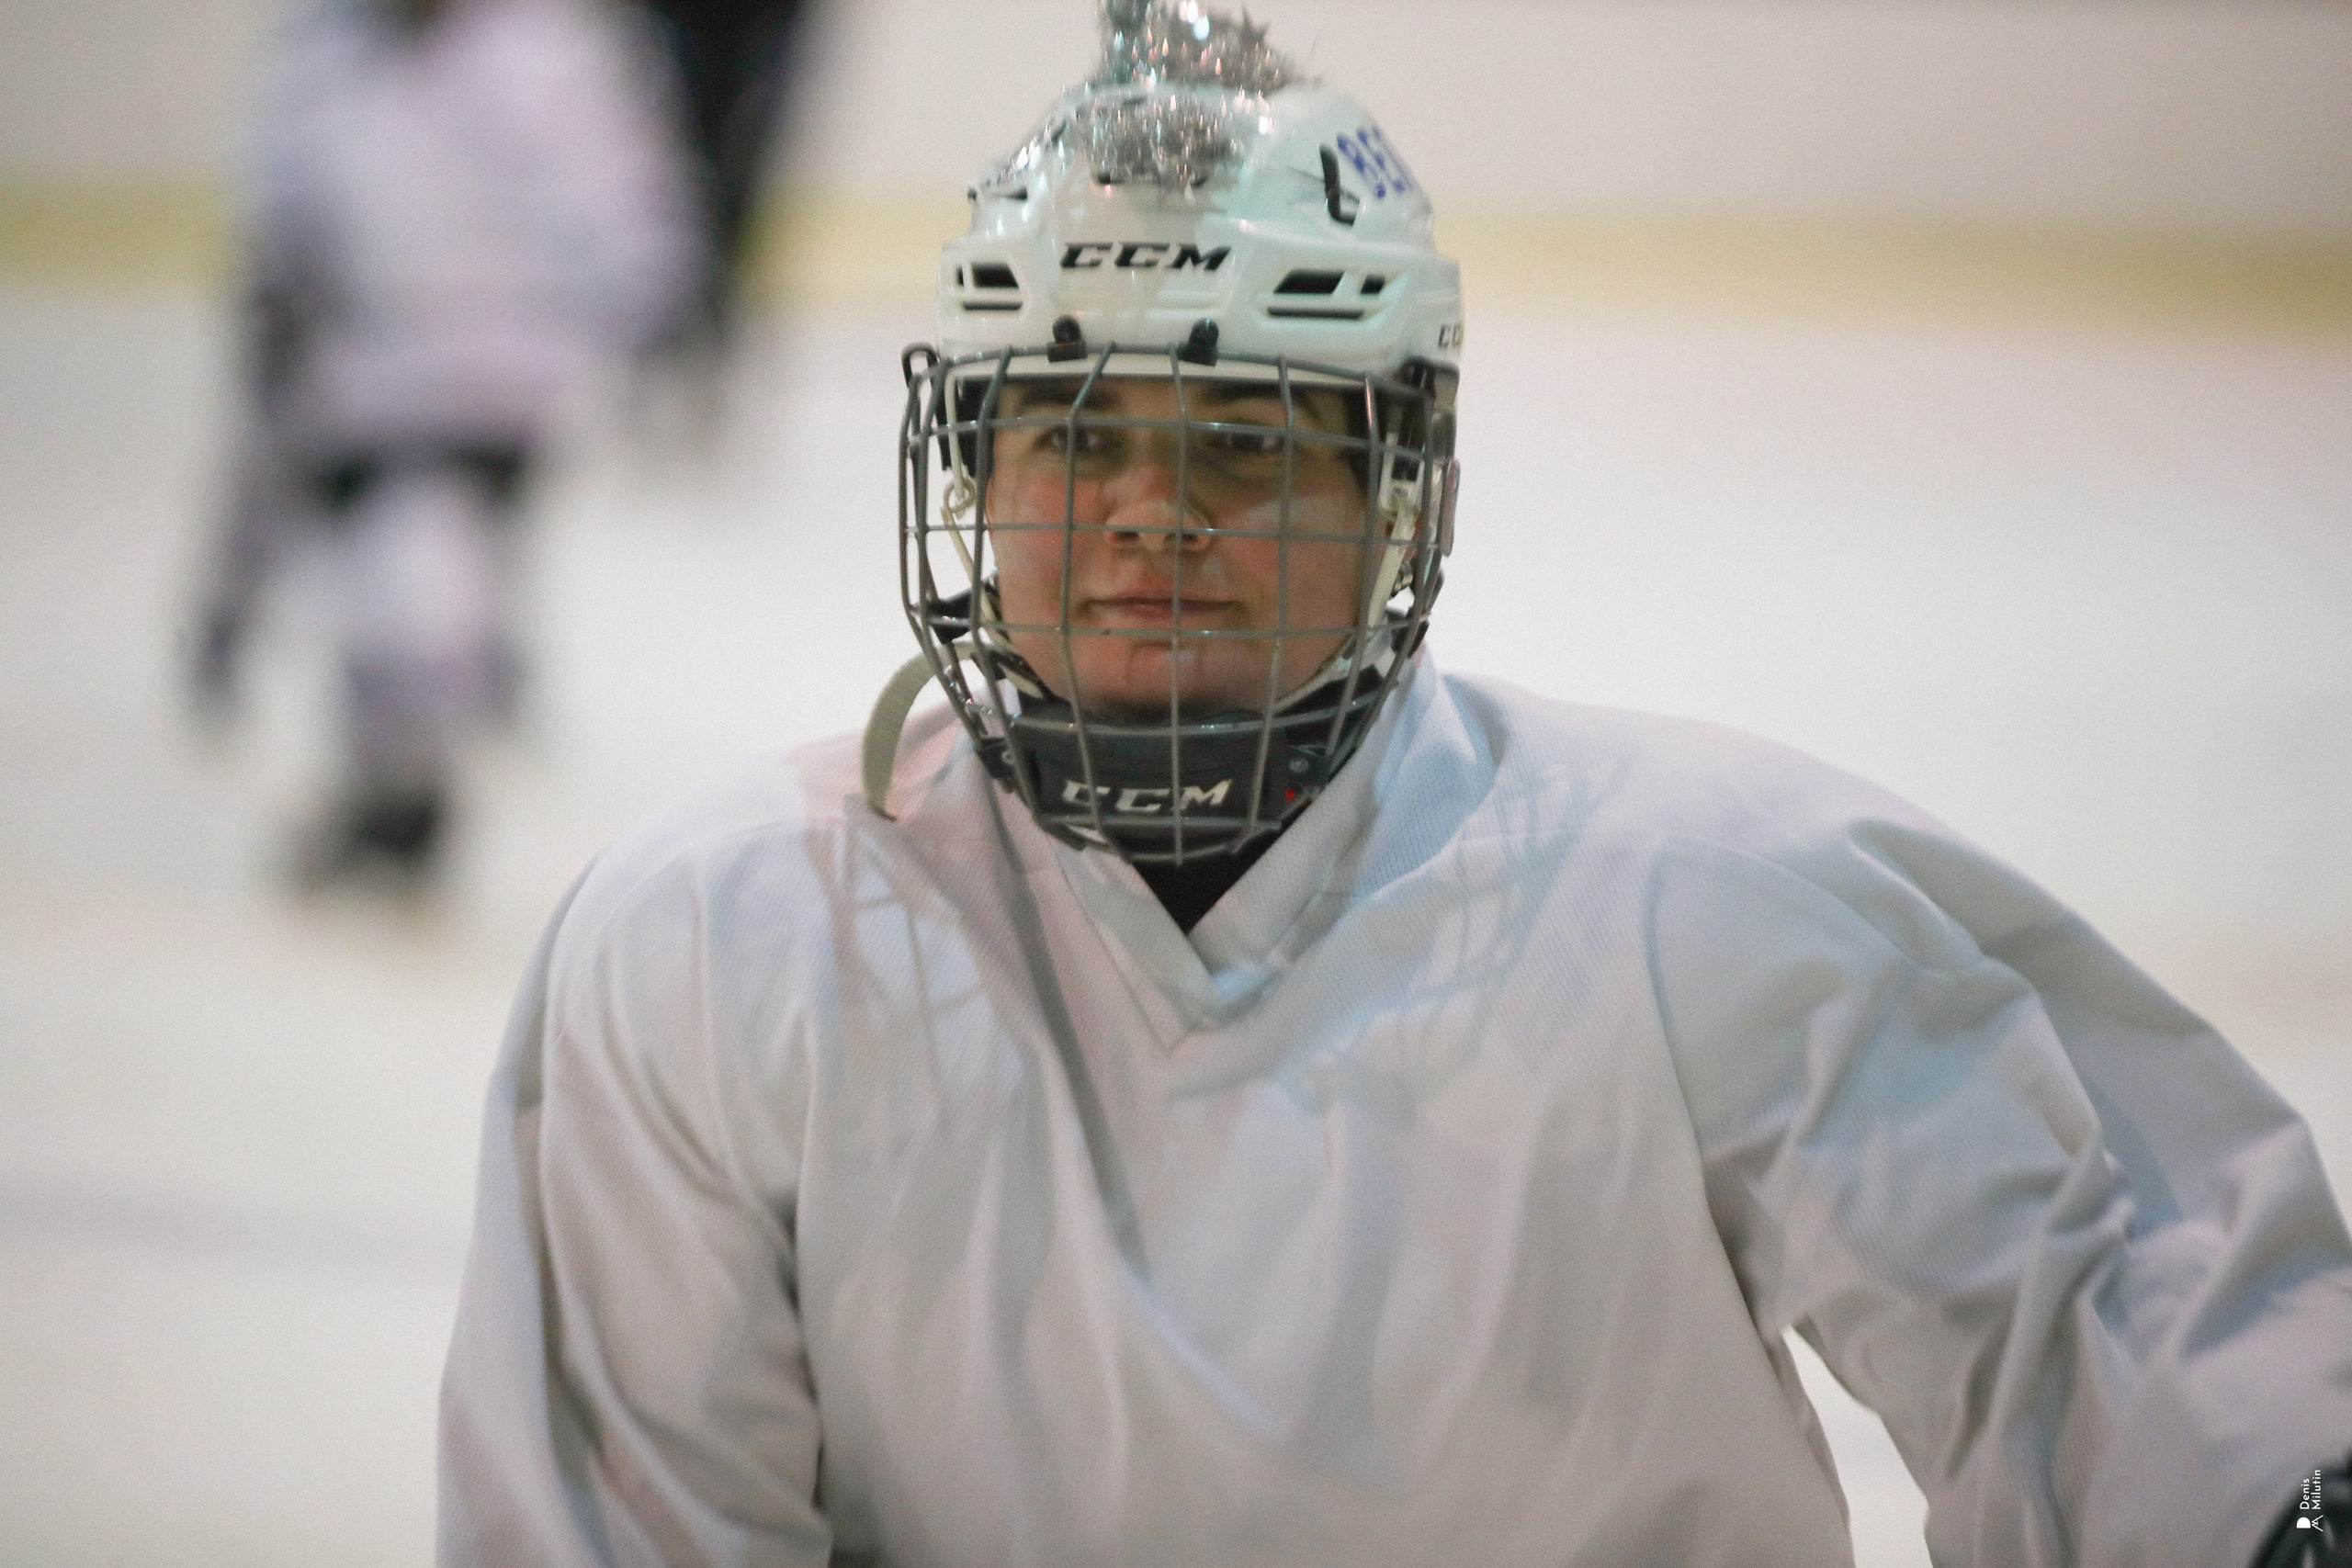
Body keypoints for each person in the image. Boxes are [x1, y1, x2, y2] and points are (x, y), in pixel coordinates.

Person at [437, 3, 2352, 1562]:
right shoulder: (710, 947)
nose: (1142, 514)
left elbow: (2121, 1330)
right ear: (967, 463)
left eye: (1247, 440)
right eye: (1072, 428)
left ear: (1394, 498)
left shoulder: (1695, 900)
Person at [190, 0, 696, 886]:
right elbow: (282, 190)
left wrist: (649, 311)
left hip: (490, 389)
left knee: (418, 590)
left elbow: (623, 198)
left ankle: (405, 781)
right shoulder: (324, 46)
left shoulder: (548, 52)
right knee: (374, 583)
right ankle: (417, 742)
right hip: (355, 381)